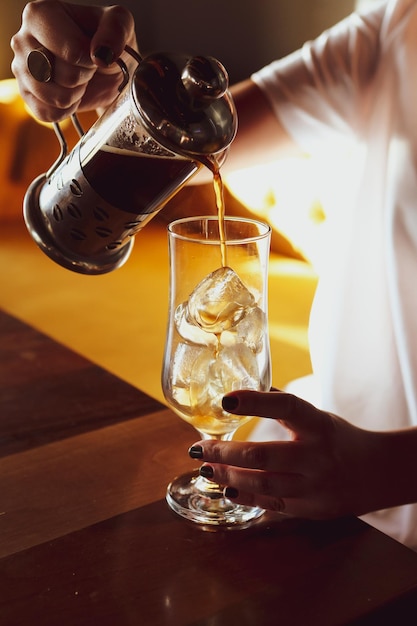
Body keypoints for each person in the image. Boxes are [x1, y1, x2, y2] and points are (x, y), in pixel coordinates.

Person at [10, 0, 417, 549]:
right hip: (295, 468)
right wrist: (103, 88)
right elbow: (196, 145)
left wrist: (387, 468)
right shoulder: (395, 28)